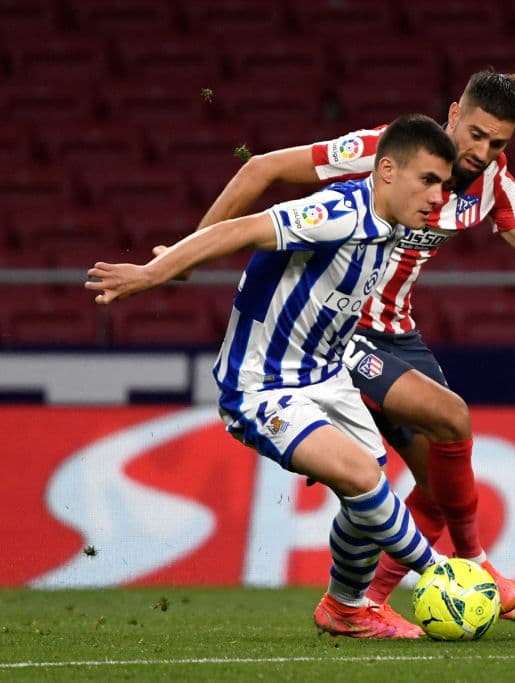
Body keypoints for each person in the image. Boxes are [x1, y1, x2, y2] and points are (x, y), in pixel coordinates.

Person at [189, 69, 515, 632]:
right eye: (477, 134)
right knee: (451, 415)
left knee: (439, 489)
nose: (483, 152)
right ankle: (474, 563)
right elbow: (262, 166)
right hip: (343, 334)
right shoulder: (385, 152)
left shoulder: (494, 184)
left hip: (399, 334)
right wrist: (188, 253)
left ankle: (357, 603)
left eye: (499, 143)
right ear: (454, 113)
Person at [88, 114, 458, 638]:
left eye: (444, 184)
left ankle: (345, 607)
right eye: (428, 180)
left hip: (328, 377)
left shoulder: (395, 227)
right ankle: (440, 574)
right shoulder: (336, 212)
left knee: (366, 498)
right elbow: (241, 229)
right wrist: (158, 271)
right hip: (263, 386)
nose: (438, 195)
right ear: (388, 171)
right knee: (364, 477)